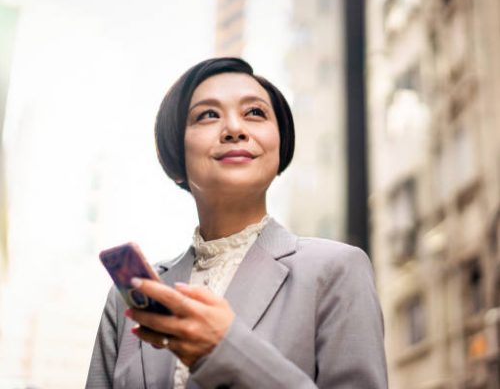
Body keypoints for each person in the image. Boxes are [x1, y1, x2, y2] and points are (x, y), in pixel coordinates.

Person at [85, 57, 388, 389]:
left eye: (255, 113)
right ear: (176, 152)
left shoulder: (337, 270)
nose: (234, 129)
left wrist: (226, 350)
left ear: (279, 142)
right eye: (208, 115)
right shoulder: (128, 298)